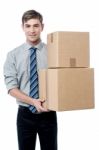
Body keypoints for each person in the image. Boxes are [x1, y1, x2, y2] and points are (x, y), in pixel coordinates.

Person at [3, 9, 57, 150]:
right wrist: (33, 101)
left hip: (48, 113)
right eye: (28, 26)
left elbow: (61, 80)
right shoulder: (13, 55)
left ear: (42, 27)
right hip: (25, 114)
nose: (32, 30)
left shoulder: (53, 52)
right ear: (23, 27)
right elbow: (11, 88)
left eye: (36, 25)